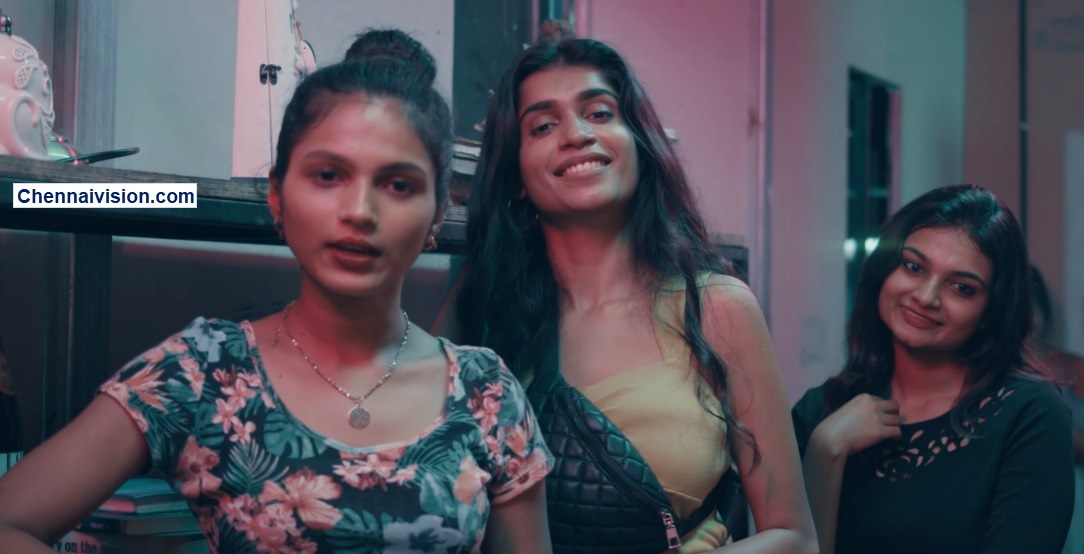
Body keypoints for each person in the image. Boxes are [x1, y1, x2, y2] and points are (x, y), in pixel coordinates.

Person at [0, 30, 552, 553]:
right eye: (328, 175)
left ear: (437, 215)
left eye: (399, 184)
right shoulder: (206, 371)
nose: (360, 211)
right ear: (276, 197)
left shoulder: (486, 391)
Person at [453, 36, 816, 553]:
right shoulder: (483, 314)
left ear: (639, 145)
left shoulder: (716, 308)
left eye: (599, 113)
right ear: (516, 177)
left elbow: (795, 537)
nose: (577, 134)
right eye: (543, 126)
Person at [791, 184, 1074, 554]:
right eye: (913, 267)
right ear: (884, 270)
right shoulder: (819, 412)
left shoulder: (1030, 415)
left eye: (961, 288)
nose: (926, 297)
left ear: (991, 311)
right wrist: (826, 450)